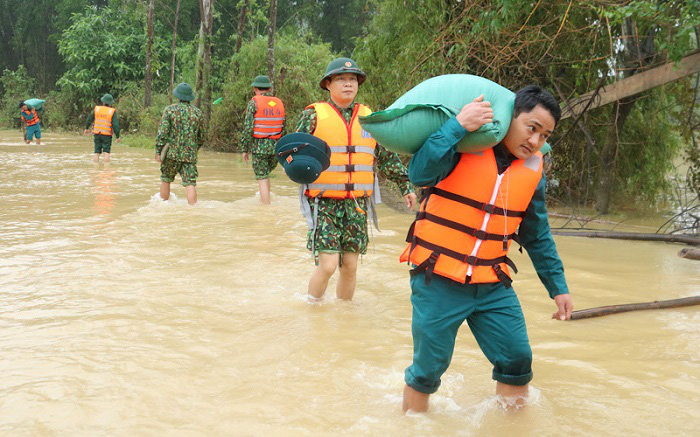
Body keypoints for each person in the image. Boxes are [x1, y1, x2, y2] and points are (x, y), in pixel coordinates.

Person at [400, 85, 574, 413]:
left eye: (545, 134)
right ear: (510, 117)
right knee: (427, 370)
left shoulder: (533, 172)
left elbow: (537, 236)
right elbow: (419, 172)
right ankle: (411, 426)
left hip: (492, 283)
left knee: (517, 358)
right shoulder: (463, 145)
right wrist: (458, 126)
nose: (535, 141)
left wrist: (558, 287)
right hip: (437, 277)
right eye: (531, 128)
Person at [296, 58, 418, 302]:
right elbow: (295, 153)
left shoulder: (369, 118)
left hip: (357, 205)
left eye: (352, 80)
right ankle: (312, 310)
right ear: (328, 84)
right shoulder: (312, 115)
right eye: (341, 79)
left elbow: (386, 156)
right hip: (324, 203)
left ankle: (344, 316)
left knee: (350, 266)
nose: (348, 84)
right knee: (329, 264)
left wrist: (405, 186)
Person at [155, 82, 205, 206]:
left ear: (177, 96)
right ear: (190, 97)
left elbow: (163, 133)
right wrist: (193, 149)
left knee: (166, 179)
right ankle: (193, 210)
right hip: (189, 155)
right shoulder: (198, 113)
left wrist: (158, 151)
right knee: (190, 183)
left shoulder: (169, 110)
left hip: (171, 154)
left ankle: (163, 207)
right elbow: (201, 137)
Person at [241, 75, 286, 204]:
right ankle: (266, 201)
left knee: (262, 177)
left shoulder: (253, 103)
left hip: (260, 146)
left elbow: (248, 128)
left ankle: (266, 209)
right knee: (266, 176)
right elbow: (284, 127)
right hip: (276, 147)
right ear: (269, 88)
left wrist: (245, 149)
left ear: (255, 88)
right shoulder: (278, 103)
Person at [84, 93, 121, 163]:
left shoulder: (97, 109)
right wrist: (117, 136)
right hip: (107, 135)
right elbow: (115, 125)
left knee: (96, 152)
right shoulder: (112, 111)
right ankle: (106, 169)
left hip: (97, 133)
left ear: (103, 102)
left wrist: (86, 128)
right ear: (110, 104)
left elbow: (89, 119)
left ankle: (96, 168)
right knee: (106, 152)